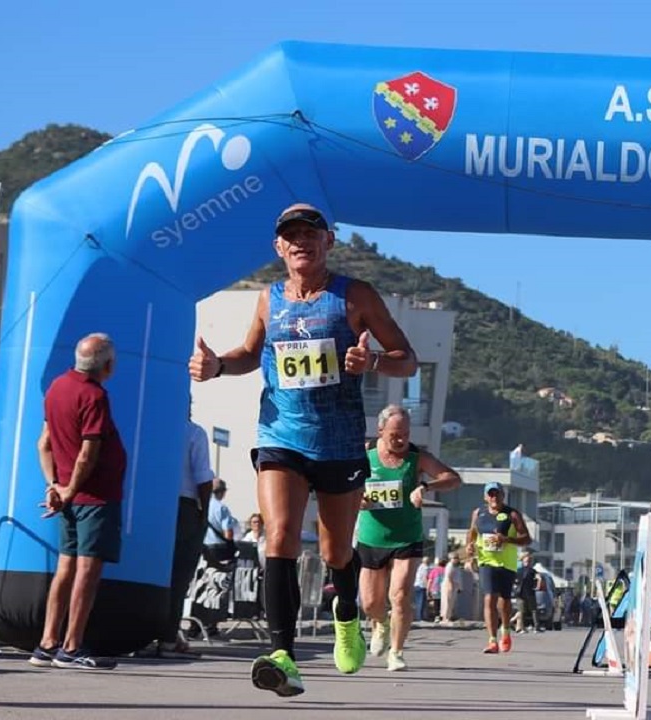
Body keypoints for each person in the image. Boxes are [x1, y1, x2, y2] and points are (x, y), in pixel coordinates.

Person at [189, 202, 417, 696]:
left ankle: (346, 613)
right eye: (290, 236)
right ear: (278, 247)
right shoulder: (269, 300)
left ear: (328, 241)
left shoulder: (354, 295)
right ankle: (283, 654)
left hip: (337, 442)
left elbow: (408, 360)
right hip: (280, 435)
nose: (300, 242)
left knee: (337, 551)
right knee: (280, 535)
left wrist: (373, 360)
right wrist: (218, 368)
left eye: (310, 234)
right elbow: (251, 353)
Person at [30, 333, 124, 670]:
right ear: (108, 365)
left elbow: (44, 443)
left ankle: (46, 643)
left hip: (70, 496)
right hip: (94, 497)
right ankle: (70, 647)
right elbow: (88, 453)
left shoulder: (57, 387)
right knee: (87, 569)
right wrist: (68, 489)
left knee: (66, 567)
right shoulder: (94, 395)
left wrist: (53, 485)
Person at [356, 404, 461, 672]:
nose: (401, 439)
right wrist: (358, 497)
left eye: (405, 433)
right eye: (394, 434)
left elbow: (453, 478)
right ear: (380, 431)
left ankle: (397, 651)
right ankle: (379, 623)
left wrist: (426, 486)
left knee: (400, 595)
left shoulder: (417, 457)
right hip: (372, 536)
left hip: (407, 537)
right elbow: (345, 482)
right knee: (369, 603)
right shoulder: (364, 454)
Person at [147, 411, 215, 658]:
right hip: (184, 508)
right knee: (179, 577)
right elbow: (203, 477)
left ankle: (144, 635)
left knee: (153, 574)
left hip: (153, 506)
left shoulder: (154, 431)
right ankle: (167, 639)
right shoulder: (194, 432)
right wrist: (204, 514)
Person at [467, 482, 531, 653]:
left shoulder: (512, 514)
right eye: (491, 494)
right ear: (485, 497)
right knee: (489, 598)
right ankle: (492, 640)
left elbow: (526, 538)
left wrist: (507, 540)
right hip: (486, 561)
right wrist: (470, 545)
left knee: (504, 601)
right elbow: (472, 532)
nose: (494, 498)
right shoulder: (478, 513)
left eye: (497, 494)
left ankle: (506, 631)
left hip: (506, 563)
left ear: (503, 496)